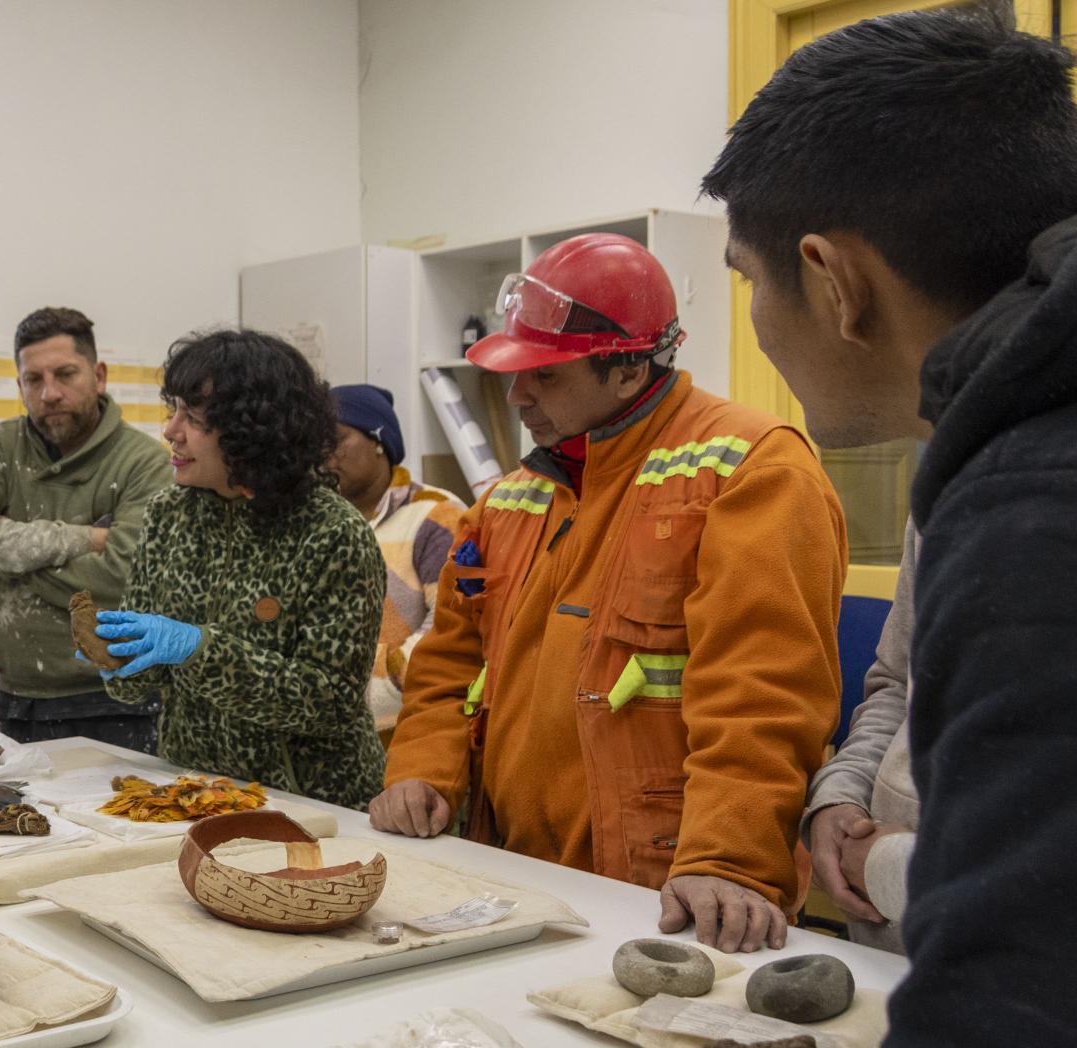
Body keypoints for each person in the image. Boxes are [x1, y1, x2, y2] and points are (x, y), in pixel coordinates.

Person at [700, 4, 1077, 1039]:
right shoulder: (994, 440)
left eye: (747, 281)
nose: (759, 324)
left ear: (834, 281)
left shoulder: (1029, 499)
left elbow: (1020, 983)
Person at [370, 233, 847, 953]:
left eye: (546, 376)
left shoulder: (750, 467)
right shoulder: (509, 501)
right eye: (516, 370)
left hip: (678, 883)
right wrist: (421, 776)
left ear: (627, 371)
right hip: (514, 867)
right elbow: (451, 662)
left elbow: (765, 690)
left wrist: (731, 858)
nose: (517, 394)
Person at [95, 328, 387, 810]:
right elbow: (137, 685)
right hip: (198, 793)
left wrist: (199, 649)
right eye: (174, 411)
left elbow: (329, 701)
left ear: (251, 431)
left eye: (192, 418)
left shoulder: (333, 533)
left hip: (312, 806)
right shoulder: (170, 513)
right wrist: (115, 658)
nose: (171, 431)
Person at [0, 307, 171, 751]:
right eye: (34, 379)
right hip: (15, 700)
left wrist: (8, 556)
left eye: (65, 374)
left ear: (99, 375)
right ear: (20, 386)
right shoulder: (1, 448)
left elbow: (123, 581)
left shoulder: (144, 463)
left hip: (114, 701)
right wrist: (83, 538)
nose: (49, 393)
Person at [803, 524, 919, 954]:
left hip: (1030, 985)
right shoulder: (945, 488)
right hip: (880, 941)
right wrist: (839, 796)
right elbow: (898, 686)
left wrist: (891, 869)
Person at [326, 383, 467, 728]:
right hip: (329, 737)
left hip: (410, 732)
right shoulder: (317, 522)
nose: (322, 454)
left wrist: (362, 687)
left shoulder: (435, 515)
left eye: (335, 440)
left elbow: (448, 632)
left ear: (378, 440)